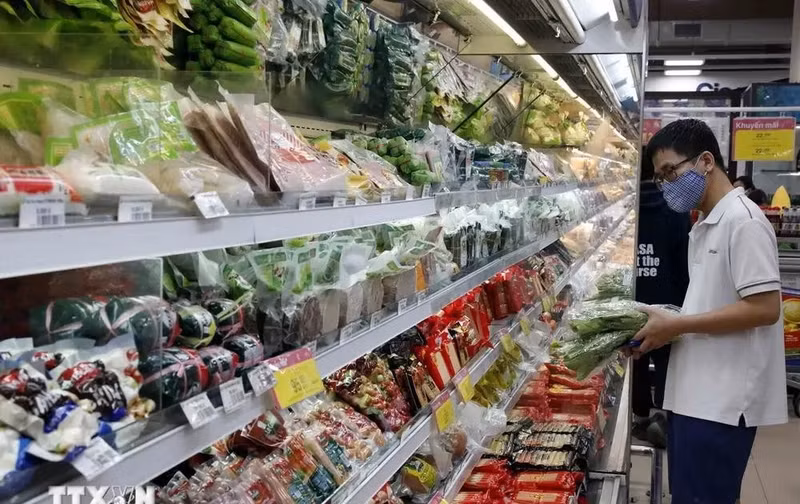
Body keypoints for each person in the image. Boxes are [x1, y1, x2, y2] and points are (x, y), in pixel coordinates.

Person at [634, 119, 787, 504]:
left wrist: (679, 324)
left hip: (723, 402)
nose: (666, 185)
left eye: (671, 172)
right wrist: (657, 320)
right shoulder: (706, 223)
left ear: (705, 161)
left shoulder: (744, 222)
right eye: (659, 178)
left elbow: (766, 308)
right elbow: (711, 301)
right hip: (694, 395)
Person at [632, 153, 690, 449]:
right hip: (670, 299)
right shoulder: (676, 208)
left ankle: (640, 419)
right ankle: (667, 417)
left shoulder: (624, 207)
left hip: (633, 303)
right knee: (668, 358)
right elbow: (684, 260)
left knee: (637, 357)